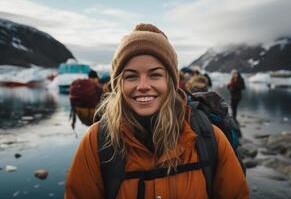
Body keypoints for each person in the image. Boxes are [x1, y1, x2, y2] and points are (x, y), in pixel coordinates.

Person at [65, 23, 249, 199]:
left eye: (155, 74)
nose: (143, 86)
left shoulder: (207, 137)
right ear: (118, 84)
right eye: (131, 76)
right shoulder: (97, 142)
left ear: (170, 82)